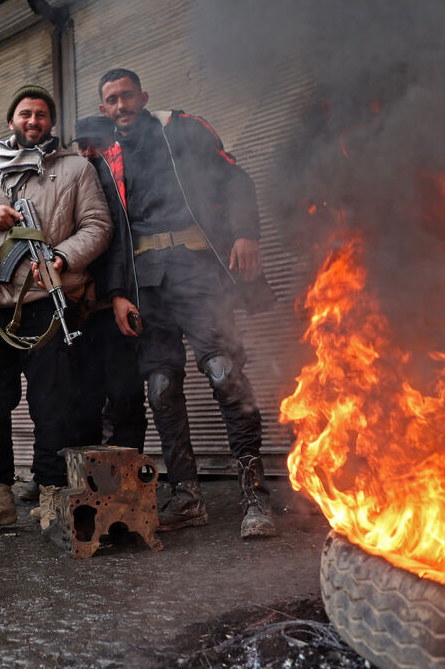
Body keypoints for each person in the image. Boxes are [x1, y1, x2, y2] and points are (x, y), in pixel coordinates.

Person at [96, 68, 277, 539]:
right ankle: (187, 497)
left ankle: (255, 495)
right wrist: (117, 293)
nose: (121, 106)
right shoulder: (106, 158)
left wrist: (246, 233)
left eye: (127, 96)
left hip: (199, 270)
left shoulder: (184, 127)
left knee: (223, 372)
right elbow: (113, 234)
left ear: (144, 95)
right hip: (146, 285)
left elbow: (234, 178)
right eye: (112, 100)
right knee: (159, 387)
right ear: (104, 109)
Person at [0, 84, 112, 533]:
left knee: (53, 404)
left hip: (45, 303)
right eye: (25, 113)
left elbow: (98, 225)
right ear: (11, 121)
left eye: (40, 115)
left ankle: (53, 494)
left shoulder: (75, 168)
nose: (32, 121)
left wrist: (61, 258)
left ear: (50, 124)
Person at [72, 116, 149, 454]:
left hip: (117, 307)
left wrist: (119, 294)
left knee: (125, 396)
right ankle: (89, 482)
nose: (89, 152)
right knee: (82, 400)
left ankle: (128, 480)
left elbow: (123, 243)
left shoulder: (124, 182)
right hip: (80, 313)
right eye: (82, 145)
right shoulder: (71, 185)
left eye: (97, 144)